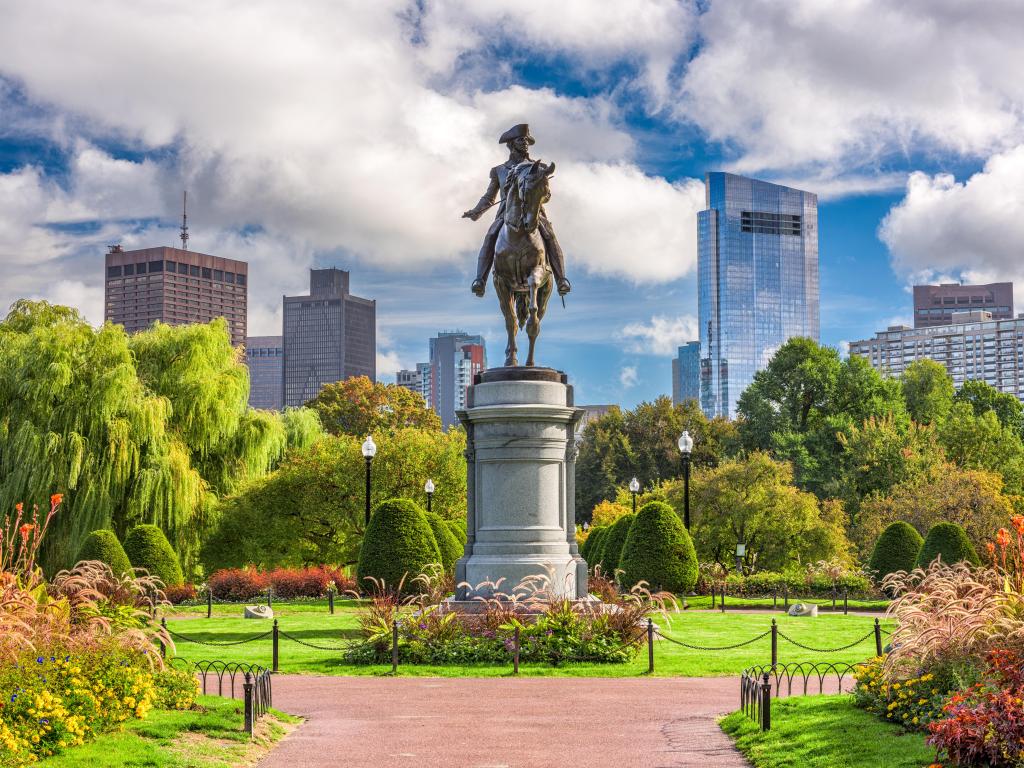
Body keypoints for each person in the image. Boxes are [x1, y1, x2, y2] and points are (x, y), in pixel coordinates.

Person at [462, 123, 571, 297]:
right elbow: (489, 197)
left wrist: (538, 197)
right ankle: (480, 280)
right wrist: (476, 211)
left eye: (527, 140)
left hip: (534, 212)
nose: (526, 143)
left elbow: (547, 195)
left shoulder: (539, 168)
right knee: (490, 236)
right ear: (512, 143)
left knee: (550, 236)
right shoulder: (499, 170)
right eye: (522, 140)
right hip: (506, 214)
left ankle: (561, 279)